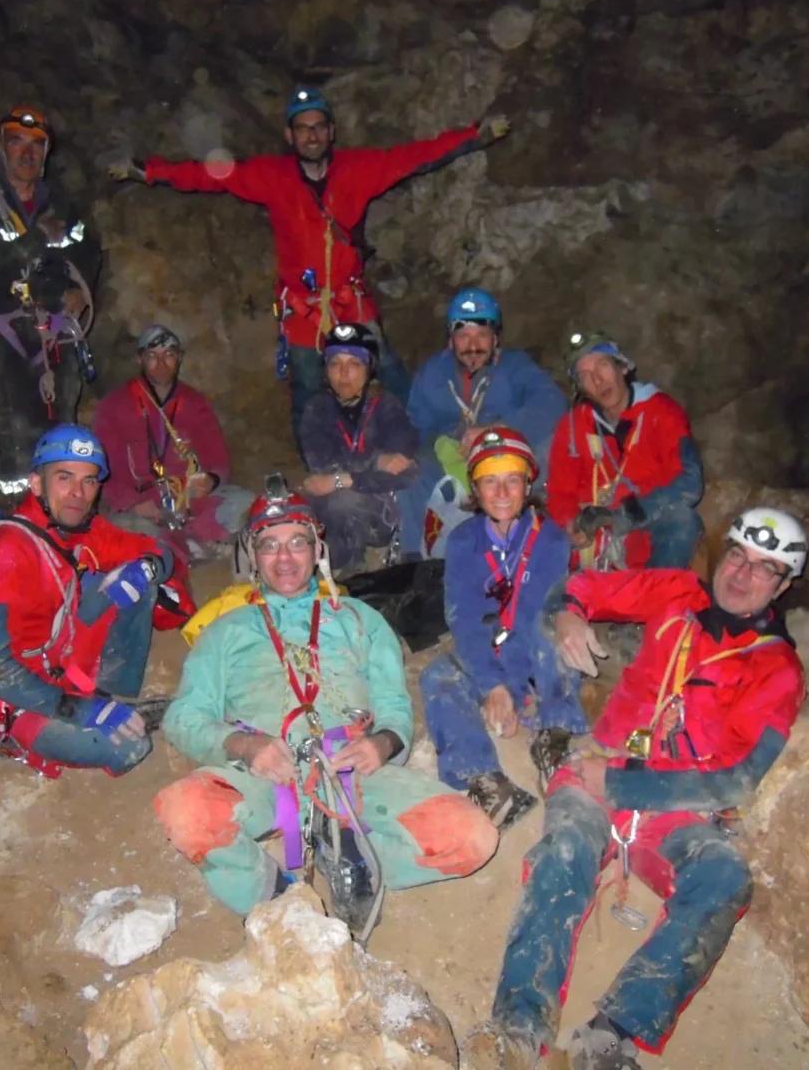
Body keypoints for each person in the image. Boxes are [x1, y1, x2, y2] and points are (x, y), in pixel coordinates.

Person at [465, 508, 809, 1070]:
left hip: (671, 805)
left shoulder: (776, 669)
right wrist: (570, 616)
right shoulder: (676, 591)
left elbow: (739, 780)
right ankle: (519, 1027)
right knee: (566, 849)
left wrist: (628, 787)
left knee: (724, 876)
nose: (741, 575)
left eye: (764, 569)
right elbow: (574, 587)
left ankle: (613, 1032)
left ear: (784, 585)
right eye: (738, 557)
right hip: (600, 768)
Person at [155, 480, 498, 936]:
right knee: (186, 811)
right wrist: (244, 744)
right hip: (268, 778)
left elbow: (395, 708)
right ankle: (278, 898)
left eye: (297, 542)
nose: (284, 558)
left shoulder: (361, 620)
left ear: (318, 549)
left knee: (473, 838)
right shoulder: (226, 632)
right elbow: (183, 717)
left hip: (353, 776)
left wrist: (383, 743)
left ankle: (352, 857)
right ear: (252, 557)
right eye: (269, 545)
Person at [113, 87, 511, 445]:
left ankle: (428, 442)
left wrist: (475, 135)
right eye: (303, 128)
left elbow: (417, 157)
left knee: (388, 369)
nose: (312, 135)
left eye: (319, 127)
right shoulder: (272, 177)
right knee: (306, 385)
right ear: (290, 136)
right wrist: (148, 171)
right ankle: (317, 458)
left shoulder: (359, 170)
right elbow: (208, 175)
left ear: (331, 132)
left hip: (349, 298)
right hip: (302, 307)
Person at [0, 424, 192, 778]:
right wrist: (77, 711)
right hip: (9, 704)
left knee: (134, 582)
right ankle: (93, 714)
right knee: (128, 746)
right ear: (36, 484)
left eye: (89, 481)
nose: (78, 493)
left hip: (54, 664)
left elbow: (159, 551)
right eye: (65, 478)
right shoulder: (1, 554)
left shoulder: (77, 530)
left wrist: (147, 568)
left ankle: (115, 698)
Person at [419, 428, 585, 831]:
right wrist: (493, 686)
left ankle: (554, 736)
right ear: (474, 487)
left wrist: (510, 688)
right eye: (489, 480)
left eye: (513, 479)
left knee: (554, 633)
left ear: (529, 484)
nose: (502, 491)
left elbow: (532, 616)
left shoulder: (549, 540)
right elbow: (465, 617)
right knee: (437, 674)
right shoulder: (463, 542)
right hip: (492, 654)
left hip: (534, 654)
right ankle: (486, 781)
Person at [0, 105, 101, 495]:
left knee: (61, 429)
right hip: (3, 332)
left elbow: (87, 252)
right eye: (17, 142)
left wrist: (80, 291)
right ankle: (21, 521)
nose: (27, 153)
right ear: (0, 146)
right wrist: (36, 238)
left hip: (55, 330)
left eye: (37, 145)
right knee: (13, 434)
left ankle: (66, 518)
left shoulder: (62, 205)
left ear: (47, 152)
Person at [400, 289, 568, 558]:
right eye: (463, 335)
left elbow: (552, 403)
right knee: (411, 469)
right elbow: (414, 424)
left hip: (504, 457)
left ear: (495, 338)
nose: (472, 345)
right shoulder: (433, 372)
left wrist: (497, 428)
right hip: (453, 458)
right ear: (451, 340)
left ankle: (524, 540)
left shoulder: (514, 366)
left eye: (481, 335)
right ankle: (412, 558)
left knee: (549, 446)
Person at [93, 324, 254, 565]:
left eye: (169, 355)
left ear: (179, 358)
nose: (161, 363)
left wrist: (210, 480)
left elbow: (218, 459)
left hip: (188, 501)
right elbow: (102, 471)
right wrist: (132, 503)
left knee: (248, 503)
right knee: (124, 530)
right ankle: (188, 547)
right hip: (142, 506)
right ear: (139, 360)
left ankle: (186, 545)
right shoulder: (113, 407)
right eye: (152, 356)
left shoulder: (193, 402)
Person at [547, 333, 704, 571]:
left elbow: (689, 484)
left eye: (602, 365)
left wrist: (627, 513)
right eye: (585, 376)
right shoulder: (572, 428)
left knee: (683, 521)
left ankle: (653, 599)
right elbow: (560, 493)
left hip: (642, 530)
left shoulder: (661, 412)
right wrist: (569, 524)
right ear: (581, 389)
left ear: (621, 368)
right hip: (592, 542)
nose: (598, 379)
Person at [297, 323, 419, 571]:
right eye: (335, 364)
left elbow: (402, 471)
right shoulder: (316, 409)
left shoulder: (386, 405)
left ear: (369, 368)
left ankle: (356, 569)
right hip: (342, 500)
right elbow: (321, 464)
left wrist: (341, 479)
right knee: (301, 502)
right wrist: (375, 461)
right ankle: (335, 561)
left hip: (382, 511)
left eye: (354, 364)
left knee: (341, 498)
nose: (343, 374)